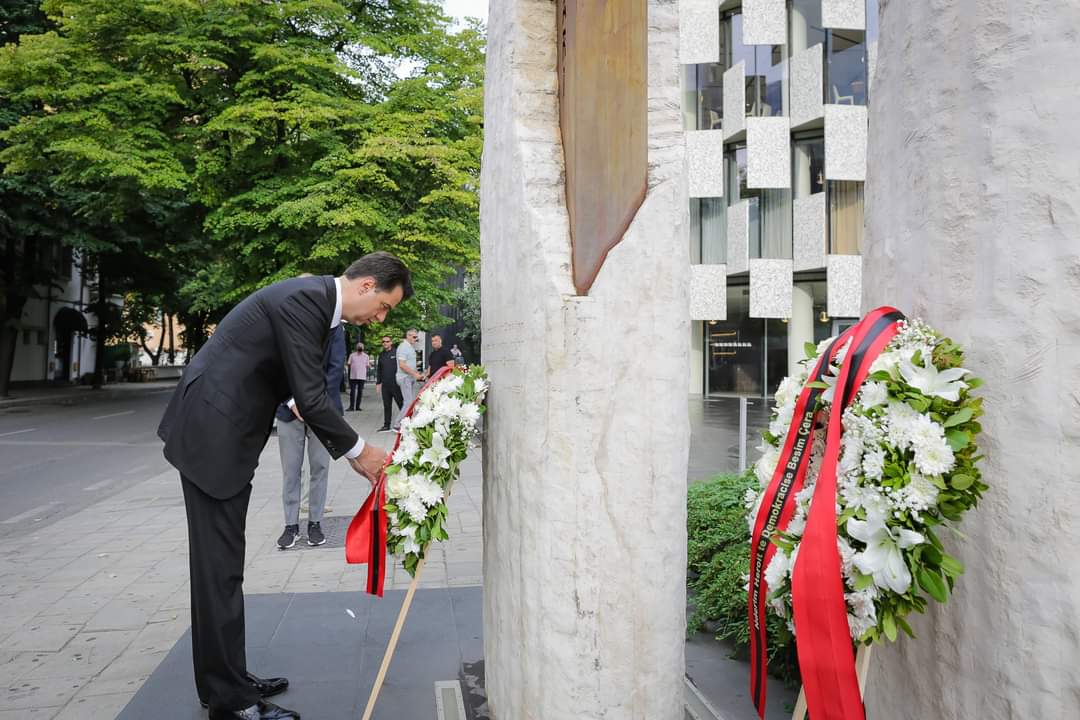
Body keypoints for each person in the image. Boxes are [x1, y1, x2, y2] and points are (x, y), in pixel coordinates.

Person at [157, 252, 412, 720]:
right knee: (219, 571)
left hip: (221, 433)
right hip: (211, 436)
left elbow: (296, 384)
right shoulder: (306, 300)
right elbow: (312, 397)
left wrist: (307, 407)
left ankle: (224, 680)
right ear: (366, 285)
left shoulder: (317, 306)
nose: (380, 319)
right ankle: (230, 700)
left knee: (220, 568)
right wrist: (361, 453)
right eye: (383, 307)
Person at [274, 319, 345, 550]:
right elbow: (276, 366)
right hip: (288, 411)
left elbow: (335, 369)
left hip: (321, 410)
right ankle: (291, 526)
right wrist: (292, 400)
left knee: (320, 468)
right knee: (291, 471)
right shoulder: (285, 323)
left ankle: (315, 523)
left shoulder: (334, 327)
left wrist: (313, 404)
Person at [393, 329, 423, 430]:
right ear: (408, 336)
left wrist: (416, 373)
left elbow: (409, 364)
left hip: (409, 378)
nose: (416, 339)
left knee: (409, 401)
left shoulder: (409, 347)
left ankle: (406, 423)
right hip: (405, 378)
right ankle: (397, 425)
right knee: (408, 402)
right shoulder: (404, 347)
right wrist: (415, 374)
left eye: (416, 337)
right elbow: (402, 365)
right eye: (414, 337)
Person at [375, 335, 401, 432]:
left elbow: (402, 366)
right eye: (383, 341)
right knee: (387, 405)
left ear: (391, 342)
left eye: (387, 341)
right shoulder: (381, 355)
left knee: (401, 404)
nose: (385, 343)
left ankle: (406, 423)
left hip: (396, 384)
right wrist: (378, 383)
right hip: (385, 385)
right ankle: (386, 425)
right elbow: (379, 370)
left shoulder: (396, 353)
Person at [345, 343, 369, 411]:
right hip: (353, 376)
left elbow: (367, 365)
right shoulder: (352, 355)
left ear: (363, 348)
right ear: (356, 347)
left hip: (362, 376)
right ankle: (351, 407)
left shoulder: (366, 356)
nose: (360, 347)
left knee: (360, 391)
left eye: (361, 347)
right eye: (359, 346)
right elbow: (348, 363)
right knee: (352, 392)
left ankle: (358, 407)